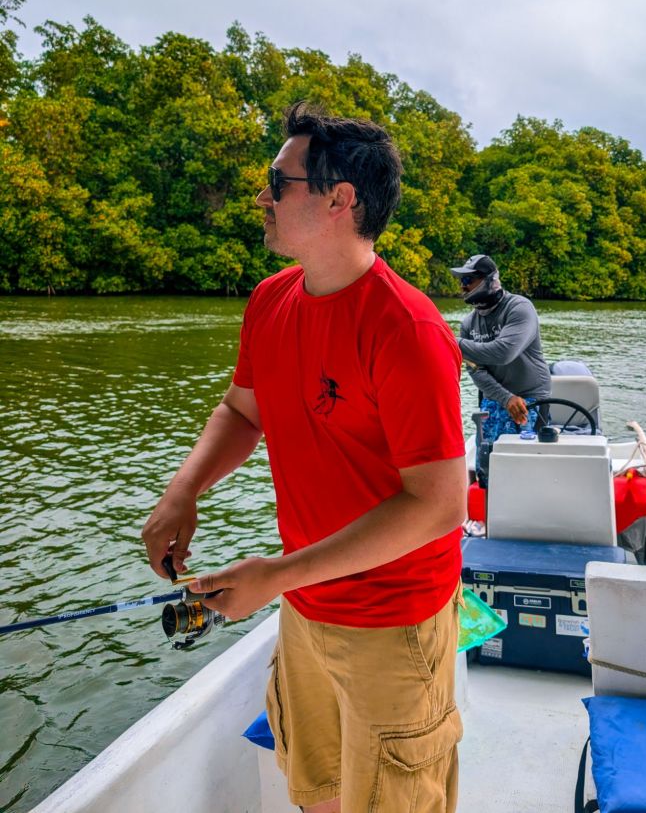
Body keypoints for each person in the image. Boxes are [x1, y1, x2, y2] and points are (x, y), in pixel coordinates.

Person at [142, 103, 467, 813]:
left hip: (393, 623)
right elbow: (241, 410)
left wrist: (276, 575)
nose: (261, 196)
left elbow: (439, 503)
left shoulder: (406, 328)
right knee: (314, 789)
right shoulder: (269, 301)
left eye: (277, 181)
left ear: (338, 200)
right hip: (305, 608)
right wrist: (183, 490)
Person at [450, 254, 551, 470]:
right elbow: (476, 370)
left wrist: (451, 342)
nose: (463, 286)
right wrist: (506, 398)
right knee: (489, 467)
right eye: (462, 280)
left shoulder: (519, 308)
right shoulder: (468, 323)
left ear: (489, 280)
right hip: (495, 399)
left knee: (528, 468)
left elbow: (503, 352)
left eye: (469, 280)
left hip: (531, 399)